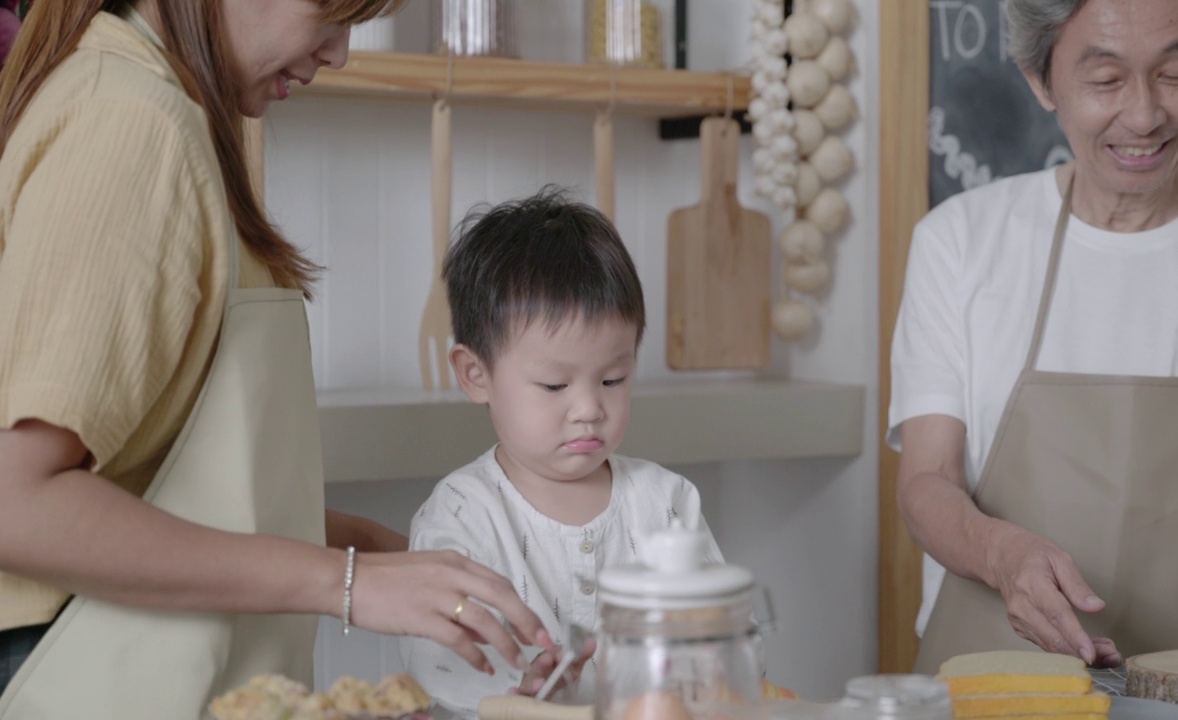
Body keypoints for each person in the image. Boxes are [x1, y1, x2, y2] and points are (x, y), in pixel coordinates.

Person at [0, 0, 551, 715]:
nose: (340, 52)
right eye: (333, 10)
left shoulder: (154, 105)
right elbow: (17, 504)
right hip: (69, 668)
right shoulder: (132, 122)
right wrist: (344, 580)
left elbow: (164, 487)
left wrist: (411, 556)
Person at [889, 0, 1178, 675]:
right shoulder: (959, 243)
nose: (1144, 114)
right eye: (1105, 81)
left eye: (1176, 73)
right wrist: (1002, 557)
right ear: (1041, 80)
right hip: (995, 689)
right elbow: (928, 480)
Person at [399, 190, 727, 718]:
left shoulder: (665, 502)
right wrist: (520, 690)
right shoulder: (462, 513)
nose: (589, 408)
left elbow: (727, 640)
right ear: (475, 374)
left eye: (613, 378)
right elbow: (437, 670)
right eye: (554, 385)